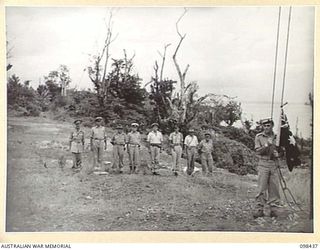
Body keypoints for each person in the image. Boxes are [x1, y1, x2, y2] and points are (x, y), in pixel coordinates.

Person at [253, 118, 281, 218]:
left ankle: (274, 209)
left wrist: (278, 154)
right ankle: (259, 209)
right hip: (263, 164)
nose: (266, 127)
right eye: (264, 126)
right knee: (261, 188)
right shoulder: (259, 137)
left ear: (272, 126)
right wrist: (266, 145)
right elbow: (257, 151)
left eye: (268, 125)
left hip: (273, 164)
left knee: (274, 188)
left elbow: (281, 149)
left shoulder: (277, 137)